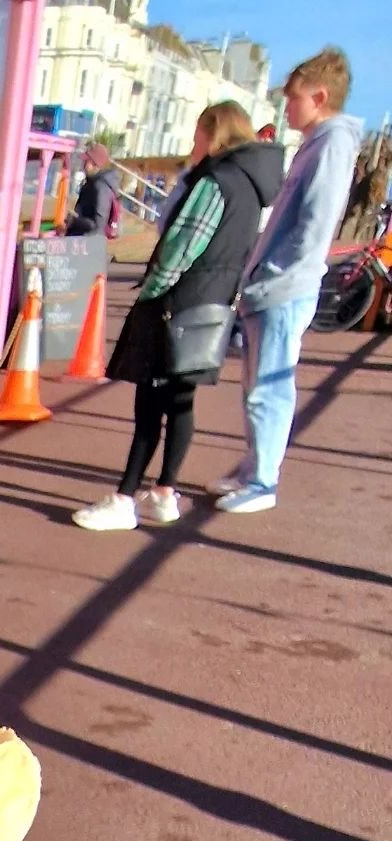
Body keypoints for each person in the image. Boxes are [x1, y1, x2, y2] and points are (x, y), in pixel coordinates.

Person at [74, 104, 283, 532]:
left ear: (215, 134)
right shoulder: (251, 186)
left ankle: (124, 498)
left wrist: (151, 290)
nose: (193, 144)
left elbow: (182, 245)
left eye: (198, 135)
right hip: (212, 304)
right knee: (182, 400)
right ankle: (166, 492)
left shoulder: (216, 181)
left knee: (149, 403)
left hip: (177, 302)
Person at [214, 48, 361, 514]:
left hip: (284, 288)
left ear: (319, 97)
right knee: (257, 383)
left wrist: (271, 274)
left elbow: (312, 228)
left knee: (269, 386)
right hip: (276, 285)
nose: (287, 107)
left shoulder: (330, 145)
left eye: (294, 98)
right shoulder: (321, 143)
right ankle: (256, 467)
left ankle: (262, 480)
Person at [60, 143, 119, 237]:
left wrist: (74, 220)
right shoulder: (90, 183)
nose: (83, 165)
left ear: (95, 164)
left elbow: (98, 225)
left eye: (86, 161)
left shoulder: (100, 187)